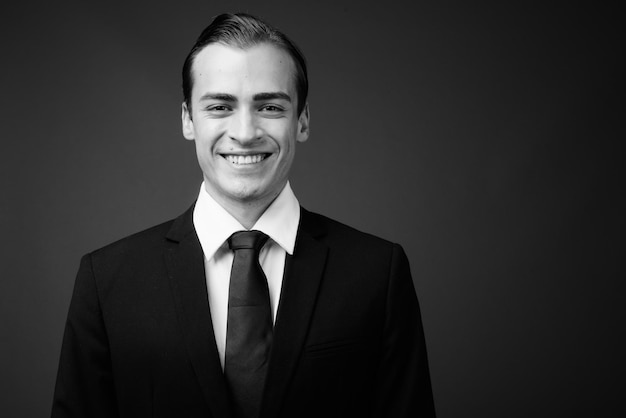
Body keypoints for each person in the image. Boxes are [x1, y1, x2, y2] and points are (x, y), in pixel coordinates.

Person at [51, 12, 436, 418]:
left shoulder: (378, 272)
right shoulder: (107, 281)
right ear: (188, 119)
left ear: (302, 120)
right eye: (220, 106)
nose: (246, 131)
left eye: (270, 106)